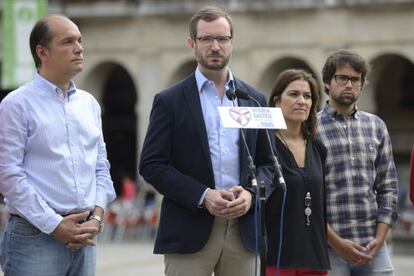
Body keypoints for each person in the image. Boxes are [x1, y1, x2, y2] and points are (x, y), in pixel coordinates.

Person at [139, 6, 273, 276]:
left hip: (243, 231)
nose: (215, 46)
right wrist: (203, 195)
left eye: (222, 39)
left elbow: (268, 165)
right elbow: (152, 165)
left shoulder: (253, 98)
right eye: (206, 39)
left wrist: (251, 194)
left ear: (232, 42)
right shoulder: (170, 101)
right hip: (190, 229)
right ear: (192, 43)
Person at [0, 15, 116, 275]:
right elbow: (7, 174)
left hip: (86, 236)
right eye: (68, 41)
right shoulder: (16, 105)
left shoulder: (89, 104)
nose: (79, 48)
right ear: (42, 52)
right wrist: (54, 224)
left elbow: (101, 168)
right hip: (35, 238)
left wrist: (96, 217)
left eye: (80, 40)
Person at [316, 50, 398, 275]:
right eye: (342, 78)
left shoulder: (376, 126)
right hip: (330, 248)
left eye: (355, 79)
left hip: (373, 246)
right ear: (327, 82)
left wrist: (380, 238)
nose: (349, 85)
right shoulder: (311, 128)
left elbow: (388, 188)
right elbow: (308, 195)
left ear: (362, 84)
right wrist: (337, 242)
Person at [266, 69, 330, 275]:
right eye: (294, 94)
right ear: (277, 101)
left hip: (315, 256)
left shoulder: (318, 148)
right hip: (277, 257)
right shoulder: (265, 146)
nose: (302, 101)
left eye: (308, 96)